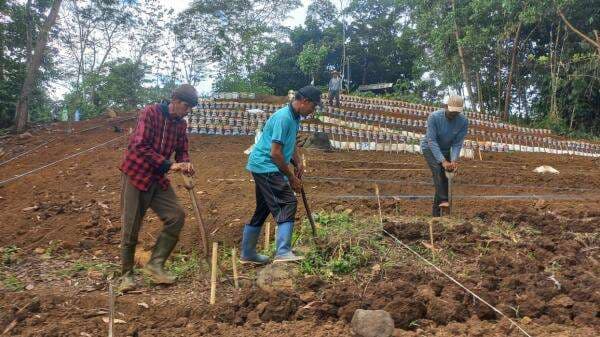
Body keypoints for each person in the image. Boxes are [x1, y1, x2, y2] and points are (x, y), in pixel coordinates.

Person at [118, 84, 198, 292]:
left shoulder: (180, 125)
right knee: (131, 226)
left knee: (176, 216)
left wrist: (185, 163)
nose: (187, 111)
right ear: (175, 101)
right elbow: (139, 145)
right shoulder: (150, 113)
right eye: (186, 106)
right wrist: (169, 165)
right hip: (136, 174)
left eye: (190, 108)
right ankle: (126, 275)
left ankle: (155, 264)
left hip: (157, 177)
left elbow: (182, 150)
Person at [241, 86, 322, 264]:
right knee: (288, 202)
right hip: (266, 166)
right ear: (304, 102)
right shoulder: (284, 118)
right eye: (313, 106)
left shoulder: (294, 118)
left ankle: (247, 253)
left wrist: (298, 162)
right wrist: (291, 178)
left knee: (263, 208)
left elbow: (289, 143)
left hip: (265, 166)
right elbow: (275, 153)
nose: (313, 111)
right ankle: (283, 251)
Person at [420, 95, 468, 217]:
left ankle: (436, 215)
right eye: (452, 112)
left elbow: (457, 143)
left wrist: (453, 160)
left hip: (446, 149)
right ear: (445, 106)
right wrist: (442, 161)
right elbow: (431, 141)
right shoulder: (434, 117)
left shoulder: (463, 121)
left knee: (445, 177)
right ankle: (443, 200)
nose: (453, 115)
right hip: (429, 147)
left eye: (456, 113)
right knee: (438, 170)